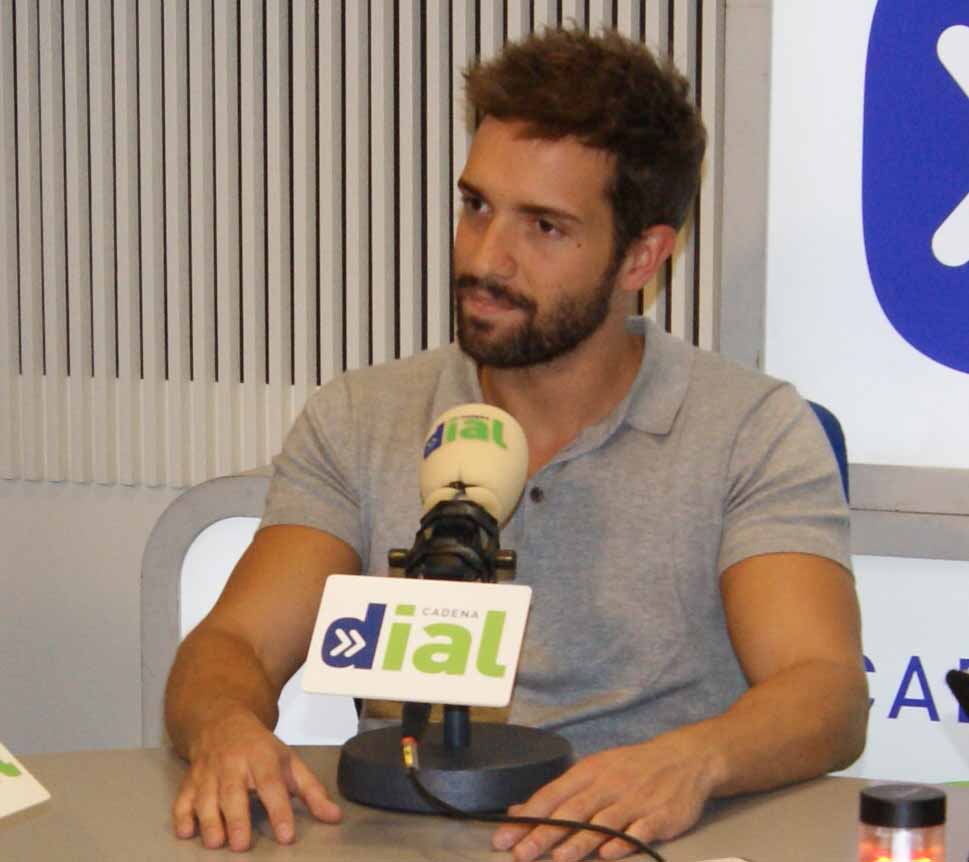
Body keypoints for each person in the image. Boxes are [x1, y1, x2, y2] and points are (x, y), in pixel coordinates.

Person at [164, 27, 868, 861]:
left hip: (639, 842)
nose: (485, 257)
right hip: (410, 840)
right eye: (476, 206)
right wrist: (227, 727)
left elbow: (823, 691)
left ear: (641, 256)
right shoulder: (361, 415)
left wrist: (693, 761)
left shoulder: (750, 428)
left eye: (544, 227)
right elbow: (233, 646)